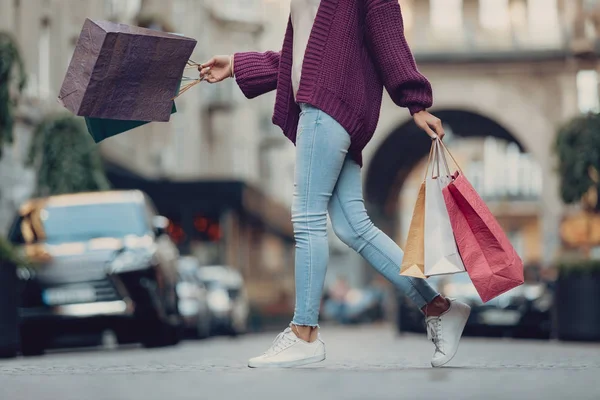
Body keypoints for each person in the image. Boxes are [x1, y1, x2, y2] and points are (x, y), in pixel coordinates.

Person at [200, 0, 471, 368]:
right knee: (353, 226)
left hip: (328, 108)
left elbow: (386, 30)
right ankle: (438, 306)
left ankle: (304, 333)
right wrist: (236, 65)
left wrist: (416, 102)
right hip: (328, 106)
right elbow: (304, 58)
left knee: (308, 217)